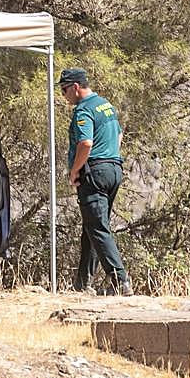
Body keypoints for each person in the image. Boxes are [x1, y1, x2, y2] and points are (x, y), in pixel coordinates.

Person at [60, 68, 132, 296]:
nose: (64, 96)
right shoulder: (105, 105)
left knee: (97, 228)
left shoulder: (84, 110)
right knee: (92, 227)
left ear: (75, 87)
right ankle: (83, 284)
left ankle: (120, 281)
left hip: (94, 173)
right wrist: (110, 154)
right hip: (113, 168)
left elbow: (86, 143)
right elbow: (119, 134)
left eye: (64, 90)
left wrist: (75, 170)